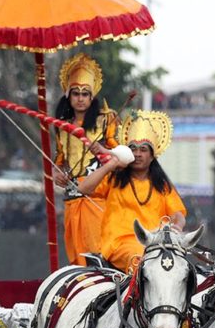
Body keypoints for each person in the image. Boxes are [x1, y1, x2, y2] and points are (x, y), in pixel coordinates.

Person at [79, 110, 186, 272]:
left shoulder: (162, 185)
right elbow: (83, 189)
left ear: (152, 155)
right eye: (133, 149)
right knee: (143, 261)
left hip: (157, 244)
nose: (137, 154)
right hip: (120, 243)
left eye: (143, 149)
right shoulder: (114, 178)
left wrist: (177, 227)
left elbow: (178, 214)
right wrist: (112, 163)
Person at [53, 53, 119, 266]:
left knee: (95, 259)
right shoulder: (61, 127)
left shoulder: (105, 120)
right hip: (71, 202)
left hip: (96, 198)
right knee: (76, 261)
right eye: (76, 93)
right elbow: (60, 160)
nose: (80, 98)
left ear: (92, 97)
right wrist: (57, 173)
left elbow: (120, 155)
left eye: (85, 94)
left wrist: (103, 150)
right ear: (68, 96)